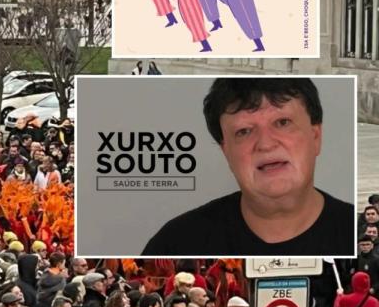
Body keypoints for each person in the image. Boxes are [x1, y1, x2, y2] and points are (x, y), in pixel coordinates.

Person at [143, 78, 353, 256]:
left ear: (316, 136)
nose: (266, 144)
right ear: (226, 151)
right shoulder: (174, 244)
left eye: (282, 122)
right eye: (244, 131)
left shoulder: (356, 231)